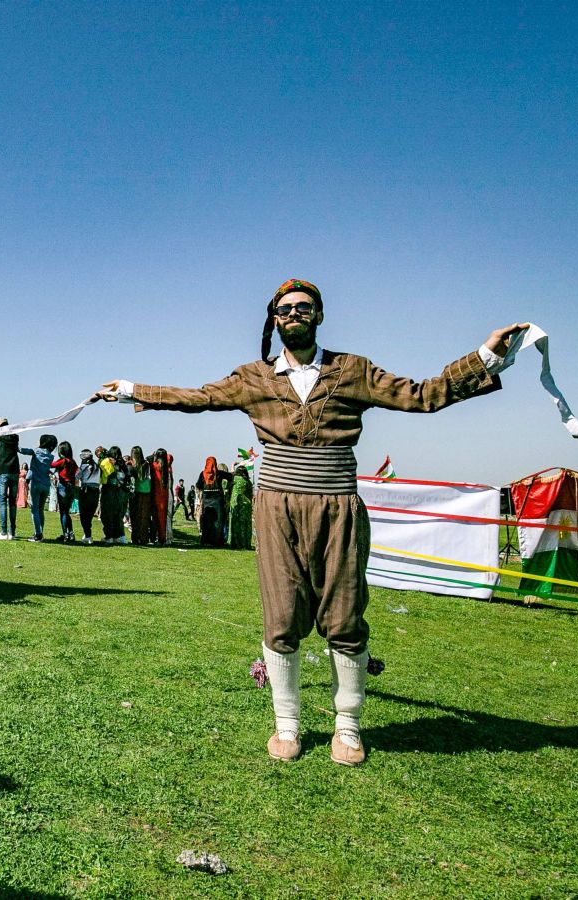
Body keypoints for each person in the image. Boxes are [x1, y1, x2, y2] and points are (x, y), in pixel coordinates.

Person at [98, 277, 525, 766]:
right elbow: (199, 397)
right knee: (280, 615)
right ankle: (288, 724)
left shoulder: (352, 371)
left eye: (303, 307)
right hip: (276, 507)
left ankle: (347, 724)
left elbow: (422, 395)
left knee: (343, 615)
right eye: (284, 309)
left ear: (318, 315)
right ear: (274, 319)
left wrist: (484, 357)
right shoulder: (253, 377)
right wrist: (131, 389)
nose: (294, 314)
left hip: (337, 505)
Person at [20, 434, 56, 541]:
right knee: (41, 510)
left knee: (34, 510)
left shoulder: (36, 451)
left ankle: (38, 535)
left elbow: (22, 450)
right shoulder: (50, 456)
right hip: (46, 484)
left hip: (36, 483)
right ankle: (40, 532)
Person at [98, 447, 129, 544]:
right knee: (118, 514)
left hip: (108, 490)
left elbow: (108, 475)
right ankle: (119, 536)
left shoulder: (107, 462)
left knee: (106, 514)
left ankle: (109, 536)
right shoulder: (123, 464)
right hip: (120, 491)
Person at [194, 456, 227, 547]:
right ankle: (217, 540)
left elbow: (198, 486)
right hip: (218, 500)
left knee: (207, 520)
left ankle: (206, 539)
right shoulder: (219, 474)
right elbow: (230, 476)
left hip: (207, 500)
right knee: (218, 521)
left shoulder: (203, 474)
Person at [50, 441, 79, 542]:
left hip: (63, 486)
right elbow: (77, 472)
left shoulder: (63, 461)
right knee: (66, 513)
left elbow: (51, 465)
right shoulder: (73, 461)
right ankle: (71, 533)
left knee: (63, 513)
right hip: (71, 487)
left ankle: (65, 534)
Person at [129, 446, 155, 545]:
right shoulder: (147, 464)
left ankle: (135, 539)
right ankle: (144, 539)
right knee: (144, 517)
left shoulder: (131, 465)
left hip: (136, 493)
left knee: (135, 517)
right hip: (147, 492)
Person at [76, 448, 101, 544]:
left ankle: (88, 535)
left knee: (83, 514)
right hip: (95, 491)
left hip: (86, 490)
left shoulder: (83, 467)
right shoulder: (97, 467)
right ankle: (87, 534)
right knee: (90, 514)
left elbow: (77, 476)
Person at [228, 462, 254, 549]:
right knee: (245, 524)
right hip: (246, 506)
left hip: (236, 504)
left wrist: (232, 465)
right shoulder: (249, 482)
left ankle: (236, 543)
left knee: (235, 523)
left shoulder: (236, 479)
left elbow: (230, 475)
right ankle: (245, 544)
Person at [151, 448, 172, 545]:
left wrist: (153, 455)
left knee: (156, 517)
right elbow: (170, 457)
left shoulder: (154, 465)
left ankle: (157, 538)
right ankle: (162, 538)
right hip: (165, 494)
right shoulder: (167, 467)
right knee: (163, 518)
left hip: (156, 493)